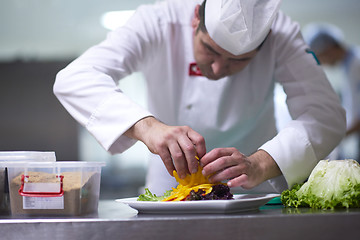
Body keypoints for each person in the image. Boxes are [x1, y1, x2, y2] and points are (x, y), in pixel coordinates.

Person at [53, 0, 346, 195]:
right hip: (170, 192)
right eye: (211, 50)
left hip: (252, 193)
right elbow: (75, 77)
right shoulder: (156, 21)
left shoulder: (281, 34)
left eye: (239, 61)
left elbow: (325, 114)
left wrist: (261, 162)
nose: (219, 69)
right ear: (196, 19)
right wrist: (147, 126)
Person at [304, 23, 360, 160]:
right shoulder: (349, 65)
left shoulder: (357, 63)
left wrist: (338, 135)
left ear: (328, 49)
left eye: (319, 57)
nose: (322, 63)